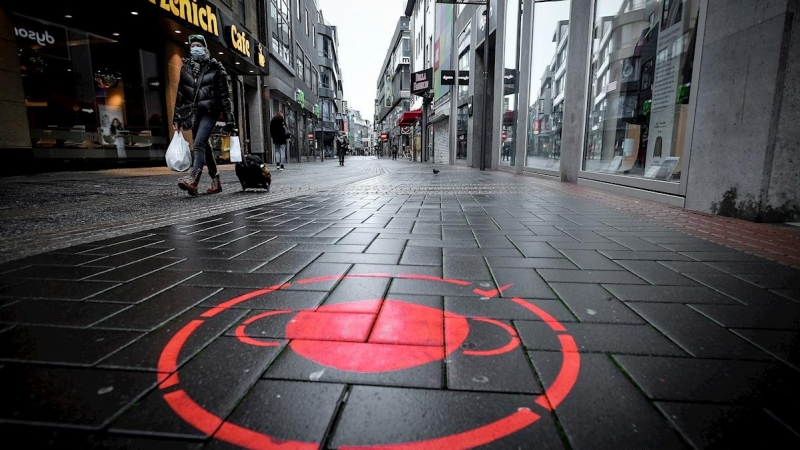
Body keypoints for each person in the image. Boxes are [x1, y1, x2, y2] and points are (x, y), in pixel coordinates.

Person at [173, 34, 235, 196]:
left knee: (199, 144)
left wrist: (230, 119)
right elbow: (181, 94)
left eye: (198, 45)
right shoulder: (185, 69)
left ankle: (193, 179)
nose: (195, 48)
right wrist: (177, 118)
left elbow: (224, 97)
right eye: (192, 45)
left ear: (205, 48)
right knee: (205, 148)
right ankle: (216, 182)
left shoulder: (216, 69)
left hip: (210, 112)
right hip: (194, 114)